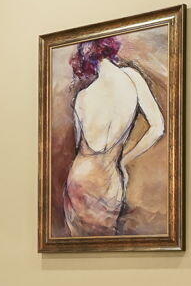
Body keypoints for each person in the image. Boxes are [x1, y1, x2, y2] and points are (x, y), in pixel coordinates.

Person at [63, 35, 165, 236]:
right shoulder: (132, 77)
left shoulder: (83, 97)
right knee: (106, 245)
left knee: (76, 250)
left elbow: (82, 145)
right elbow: (157, 127)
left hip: (80, 177)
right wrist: (124, 159)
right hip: (110, 179)